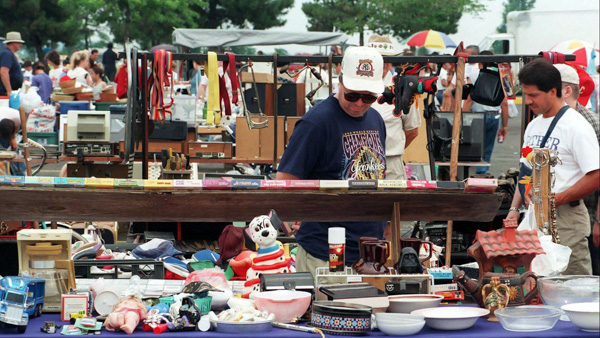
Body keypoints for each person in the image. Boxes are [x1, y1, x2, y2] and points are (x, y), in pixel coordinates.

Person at [276, 46, 387, 274]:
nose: (359, 103)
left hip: (369, 254)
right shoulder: (316, 122)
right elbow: (285, 181)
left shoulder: (376, 120)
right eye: (352, 95)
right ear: (340, 79)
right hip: (325, 254)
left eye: (368, 97)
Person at [506, 58, 600, 275]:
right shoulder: (533, 125)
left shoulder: (576, 126)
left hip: (566, 218)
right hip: (535, 218)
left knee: (572, 287)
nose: (527, 101)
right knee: (537, 282)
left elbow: (595, 175)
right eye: (525, 95)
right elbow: (525, 169)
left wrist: (557, 199)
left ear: (553, 91)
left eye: (533, 95)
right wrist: (523, 197)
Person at [554, 63, 600, 275]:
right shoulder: (546, 120)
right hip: (566, 215)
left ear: (566, 90)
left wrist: (599, 221)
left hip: (585, 214)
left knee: (583, 278)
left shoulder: (588, 122)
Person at [367, 34, 420, 180]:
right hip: (359, 161)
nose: (382, 64)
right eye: (377, 59)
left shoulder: (403, 88)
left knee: (394, 202)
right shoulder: (354, 86)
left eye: (386, 59)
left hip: (391, 162)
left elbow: (412, 131)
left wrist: (392, 153)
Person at [468, 51, 509, 175]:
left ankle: (472, 170)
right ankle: (483, 171)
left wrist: (462, 115)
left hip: (478, 115)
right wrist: (505, 125)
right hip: (494, 115)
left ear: (480, 62)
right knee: (488, 147)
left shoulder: (474, 74)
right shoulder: (501, 75)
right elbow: (505, 102)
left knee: (474, 146)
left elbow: (469, 98)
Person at [0, 32, 25, 96]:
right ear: (13, 42)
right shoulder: (7, 54)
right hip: (4, 92)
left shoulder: (9, 54)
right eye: (19, 42)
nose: (21, 45)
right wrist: (9, 91)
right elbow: (3, 72)